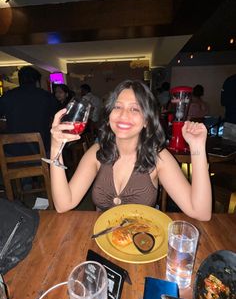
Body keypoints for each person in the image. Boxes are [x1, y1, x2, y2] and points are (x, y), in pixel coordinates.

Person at [49, 80, 211, 220]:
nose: (123, 115)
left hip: (144, 242)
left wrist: (197, 148)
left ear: (147, 120)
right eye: (117, 107)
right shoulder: (97, 152)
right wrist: (56, 146)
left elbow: (201, 212)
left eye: (134, 109)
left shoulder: (158, 157)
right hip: (102, 240)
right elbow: (64, 204)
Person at [0, 66, 57, 154]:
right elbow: (59, 117)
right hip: (41, 148)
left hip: (13, 150)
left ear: (20, 80)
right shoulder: (46, 96)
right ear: (37, 81)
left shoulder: (8, 96)